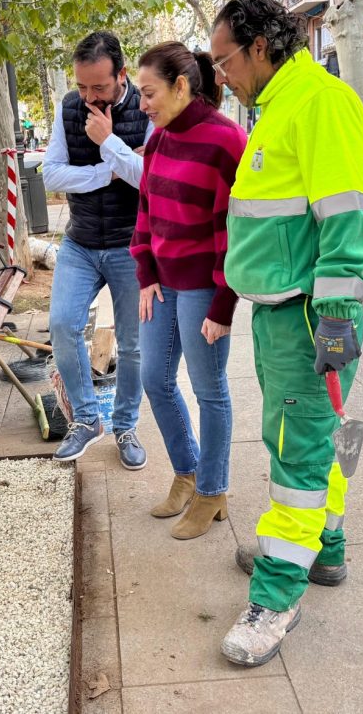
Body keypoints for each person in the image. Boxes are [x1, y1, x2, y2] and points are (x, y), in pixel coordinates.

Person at [208, 0, 363, 667]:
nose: (220, 73)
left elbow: (346, 224)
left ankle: (277, 597)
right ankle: (322, 552)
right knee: (312, 442)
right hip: (285, 313)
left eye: (224, 60)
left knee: (296, 456)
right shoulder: (280, 105)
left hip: (308, 318)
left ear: (257, 45)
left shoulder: (318, 101)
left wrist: (334, 325)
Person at [131, 42, 248, 540]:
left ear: (181, 85)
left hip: (205, 287)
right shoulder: (158, 141)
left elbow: (235, 231)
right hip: (164, 284)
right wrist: (146, 273)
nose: (142, 105)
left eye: (149, 93)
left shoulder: (226, 140)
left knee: (209, 391)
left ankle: (213, 491)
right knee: (153, 379)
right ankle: (188, 471)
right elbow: (146, 213)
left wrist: (224, 302)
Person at [43, 31, 152, 470]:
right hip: (81, 241)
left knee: (132, 344)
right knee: (62, 326)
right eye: (82, 86)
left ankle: (126, 425)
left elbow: (150, 178)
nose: (89, 97)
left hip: (131, 243)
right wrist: (110, 170)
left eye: (99, 88)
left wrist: (109, 142)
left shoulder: (147, 108)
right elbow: (51, 174)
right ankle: (87, 420)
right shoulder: (68, 108)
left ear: (121, 75)